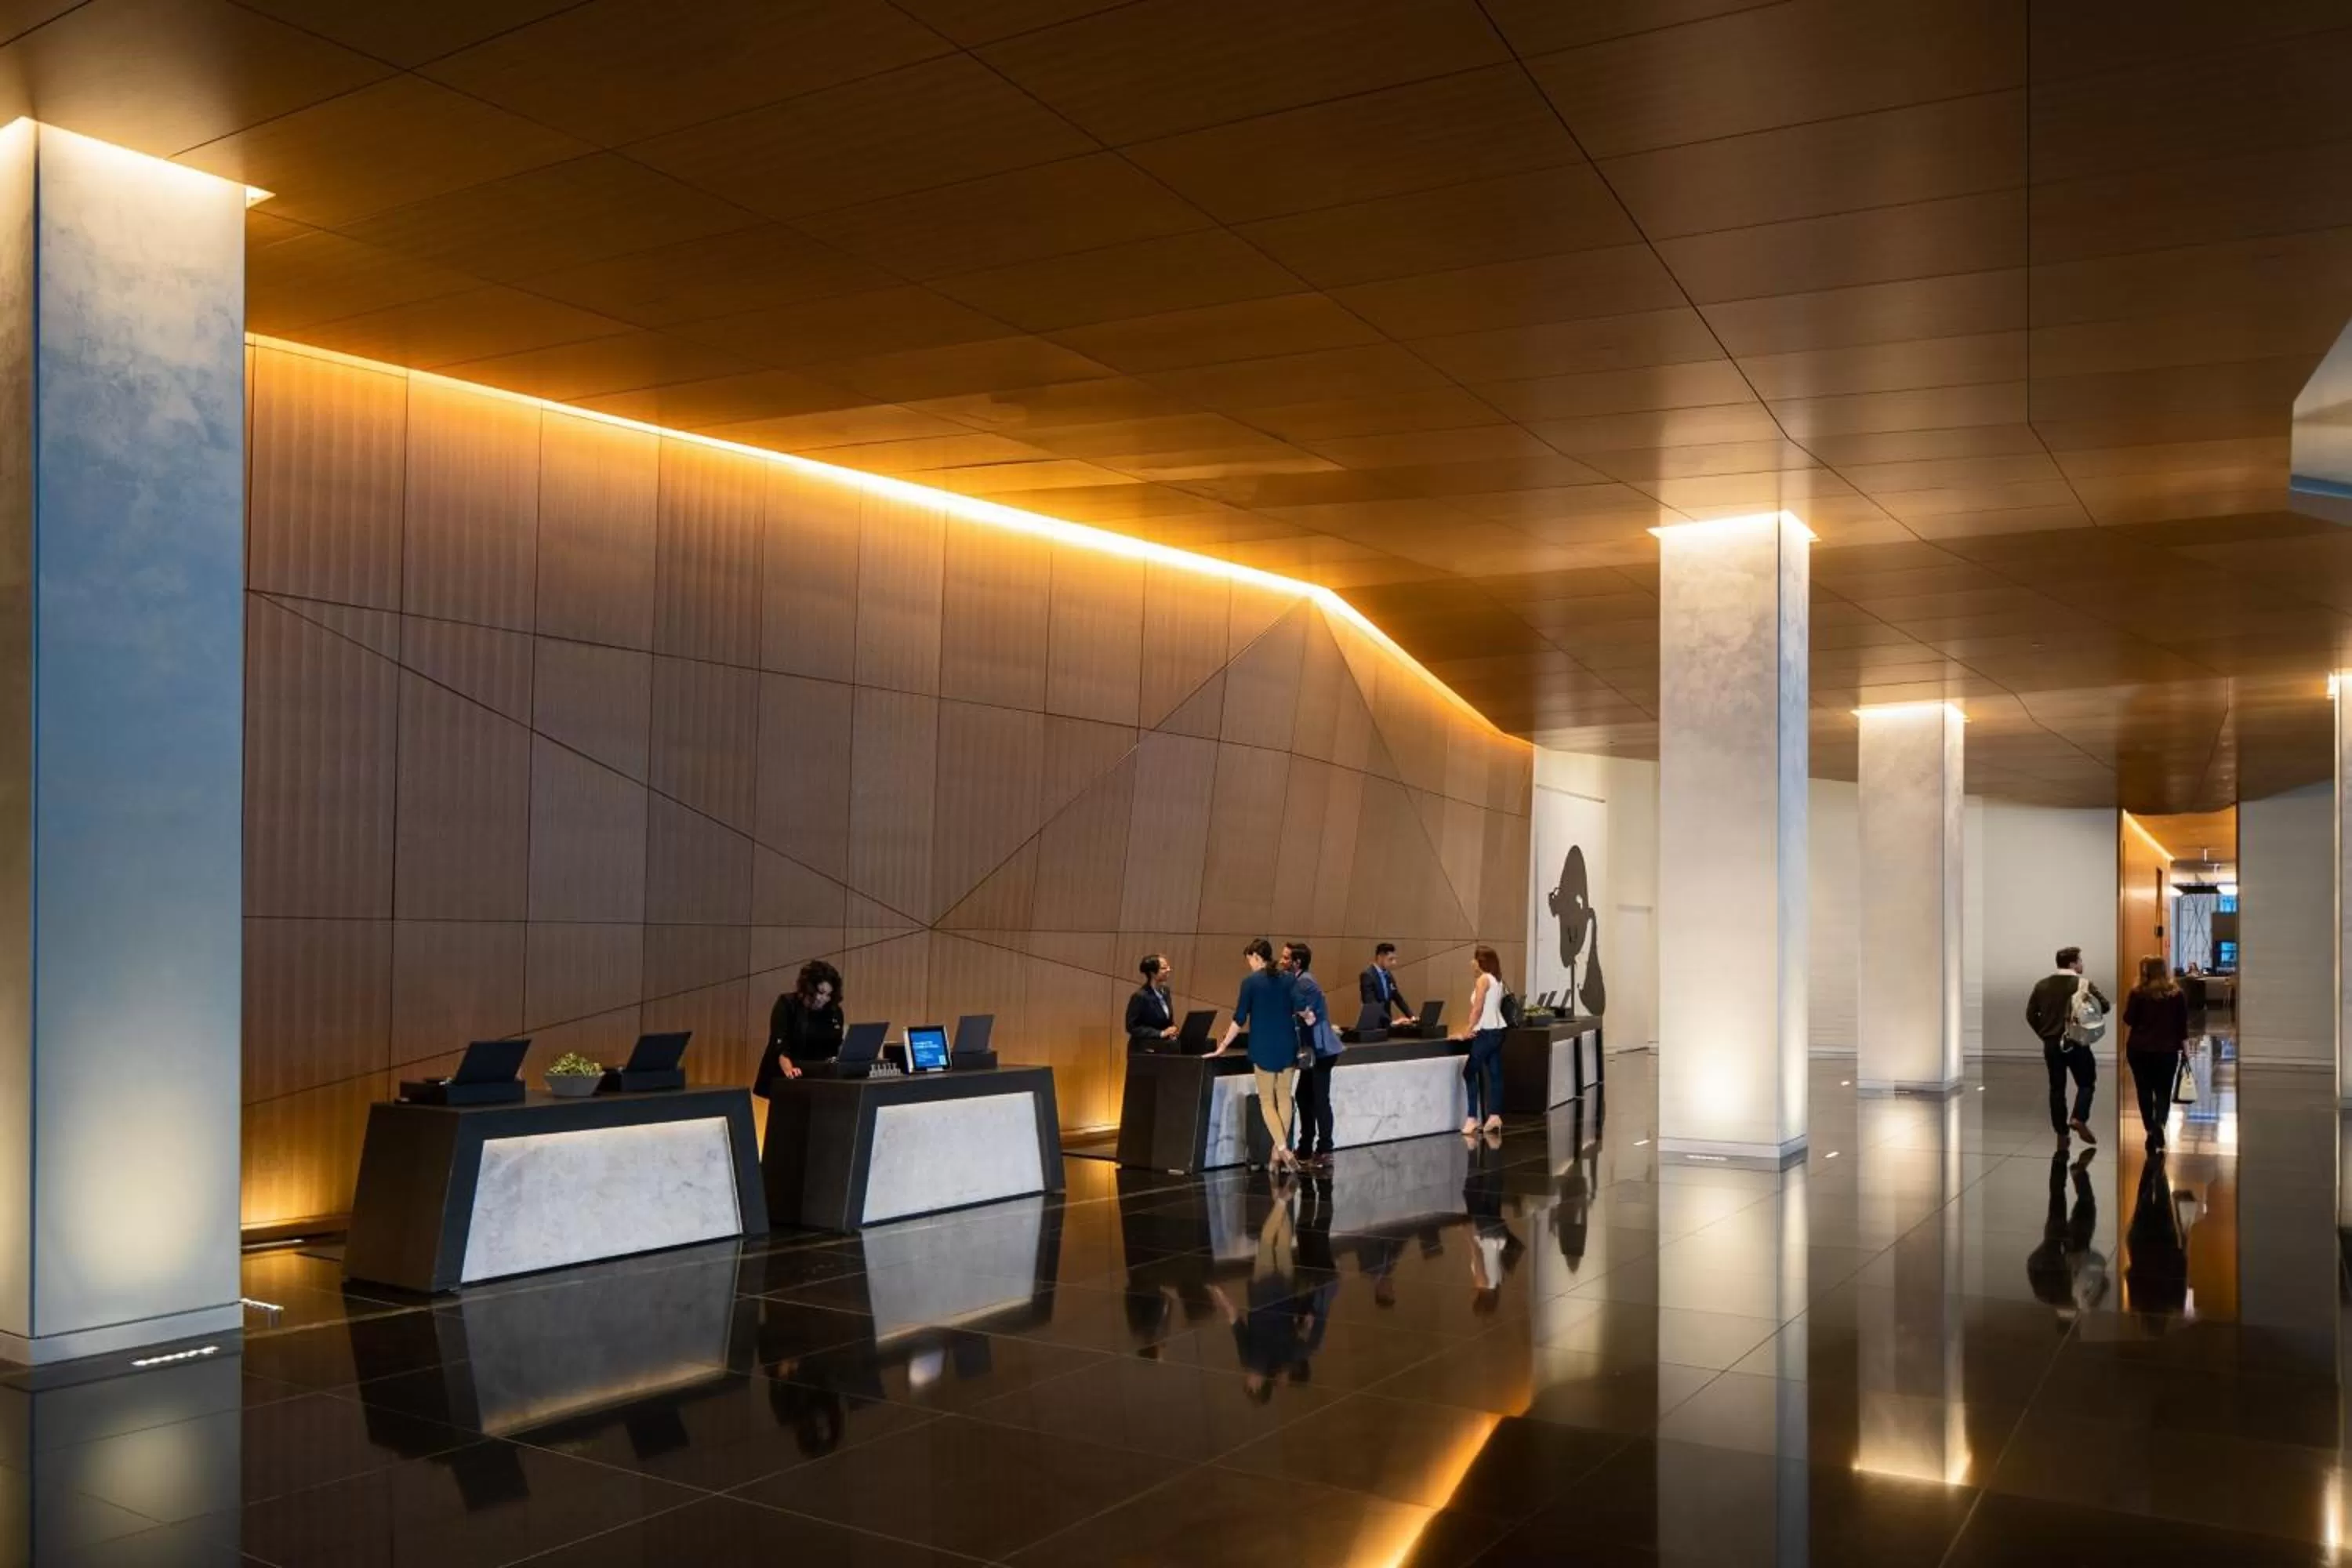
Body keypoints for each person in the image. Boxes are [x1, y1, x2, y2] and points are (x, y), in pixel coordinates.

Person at [1218, 938, 1307, 1173]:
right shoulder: (1288, 979)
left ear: (1257, 957)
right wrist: (1310, 1017)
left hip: (1263, 1046)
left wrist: (1223, 1045)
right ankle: (1277, 1154)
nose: (1250, 965)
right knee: (1285, 1097)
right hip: (1287, 1045)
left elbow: (1239, 1019)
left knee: (1267, 1101)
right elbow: (1301, 1006)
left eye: (1250, 960)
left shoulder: (1250, 983)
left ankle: (1282, 1149)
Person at [2026, 945, 2107, 1146]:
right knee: (2087, 1082)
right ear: (2072, 963)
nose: (2082, 964)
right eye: (2080, 960)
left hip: (2052, 1044)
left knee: (2056, 1087)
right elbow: (2104, 1006)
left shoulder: (2041, 985)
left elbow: (2030, 1014)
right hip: (2077, 1041)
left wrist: (2045, 1035)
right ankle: (2079, 1117)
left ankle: (2061, 1132)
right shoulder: (2083, 984)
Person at [2122, 955, 2190, 1150]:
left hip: (2139, 1049)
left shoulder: (2137, 993)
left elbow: (2129, 1019)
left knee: (2143, 1090)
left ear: (2145, 971)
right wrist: (2186, 1051)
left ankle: (2150, 1130)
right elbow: (2182, 1025)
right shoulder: (2176, 994)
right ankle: (2160, 1122)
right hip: (2167, 1050)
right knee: (2163, 1090)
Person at [1286, 942, 1341, 1171]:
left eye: (1286, 957)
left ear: (1297, 962)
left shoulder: (1304, 982)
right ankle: (1307, 1147)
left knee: (1319, 1100)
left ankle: (1325, 1149)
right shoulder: (1303, 980)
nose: (1282, 961)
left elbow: (1306, 1013)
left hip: (1320, 1050)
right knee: (1304, 1096)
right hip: (1314, 1050)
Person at [757, 960, 844, 1094]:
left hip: (818, 1076)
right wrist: (789, 1070)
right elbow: (779, 1044)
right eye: (820, 992)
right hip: (787, 1073)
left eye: (828, 995)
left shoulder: (834, 1011)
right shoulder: (787, 1004)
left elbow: (836, 1045)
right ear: (809, 988)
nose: (823, 999)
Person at [1451, 946, 1509, 1136]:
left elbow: (1478, 1008)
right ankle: (1494, 1116)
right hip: (1498, 1031)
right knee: (1495, 1072)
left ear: (1480, 961)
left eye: (1474, 959)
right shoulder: (1498, 980)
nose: (1471, 963)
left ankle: (1472, 1118)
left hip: (1485, 1032)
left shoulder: (1483, 979)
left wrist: (1467, 1030)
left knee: (1469, 1072)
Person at [1126, 953, 1179, 1048]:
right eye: (1164, 968)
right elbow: (1132, 1027)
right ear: (1153, 973)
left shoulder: (1166, 992)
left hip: (1162, 1048)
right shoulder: (1140, 996)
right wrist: (1161, 1033)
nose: (1169, 970)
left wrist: (1172, 1030)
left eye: (1168, 967)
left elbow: (1166, 1021)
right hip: (1144, 1050)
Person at [1359, 942, 1415, 1029]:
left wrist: (1411, 1017)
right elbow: (1371, 1003)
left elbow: (1398, 998)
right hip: (1373, 1027)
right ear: (1380, 957)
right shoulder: (1367, 975)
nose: (1394, 963)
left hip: (1387, 1026)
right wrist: (1391, 1022)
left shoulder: (1388, 975)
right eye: (1390, 959)